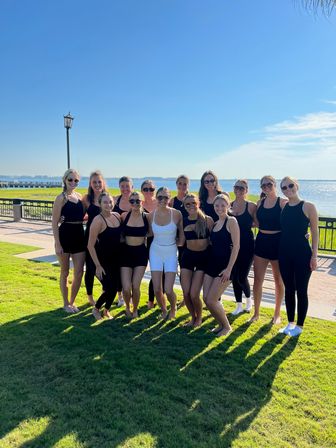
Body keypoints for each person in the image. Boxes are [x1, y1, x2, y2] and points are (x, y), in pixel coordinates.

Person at [278, 177, 318, 337]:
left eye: (290, 185)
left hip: (302, 254)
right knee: (289, 289)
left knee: (301, 290)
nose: (288, 189)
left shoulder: (308, 206)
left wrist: (314, 256)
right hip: (284, 253)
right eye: (284, 188)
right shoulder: (284, 206)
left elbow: (315, 232)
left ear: (297, 186)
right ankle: (290, 323)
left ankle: (299, 326)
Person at [251, 175, 287, 324]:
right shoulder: (259, 203)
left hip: (278, 243)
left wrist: (305, 232)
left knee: (278, 281)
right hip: (261, 242)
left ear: (275, 184)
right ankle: (256, 313)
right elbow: (257, 223)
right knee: (257, 280)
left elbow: (295, 219)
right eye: (263, 185)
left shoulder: (283, 203)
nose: (266, 187)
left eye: (269, 184)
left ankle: (277, 314)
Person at [203, 193, 240, 337]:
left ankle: (226, 327)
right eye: (217, 206)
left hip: (225, 267)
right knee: (206, 298)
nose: (219, 208)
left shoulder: (231, 221)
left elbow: (236, 246)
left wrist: (229, 269)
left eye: (223, 205)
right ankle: (220, 324)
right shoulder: (215, 224)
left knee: (212, 300)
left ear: (228, 206)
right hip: (212, 265)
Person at [52, 169, 86, 313]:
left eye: (76, 180)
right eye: (70, 179)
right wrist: (57, 243)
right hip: (64, 236)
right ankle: (66, 303)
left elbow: (82, 216)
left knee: (79, 272)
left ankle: (72, 302)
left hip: (79, 235)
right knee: (65, 272)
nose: (73, 182)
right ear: (65, 180)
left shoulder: (80, 197)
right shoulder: (61, 198)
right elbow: (54, 222)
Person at [148, 187, 184, 319]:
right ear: (156, 198)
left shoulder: (176, 214)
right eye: (160, 197)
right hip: (155, 252)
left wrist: (179, 244)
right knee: (157, 289)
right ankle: (163, 310)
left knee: (168, 289)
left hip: (171, 253)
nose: (163, 200)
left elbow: (182, 234)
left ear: (169, 199)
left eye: (166, 197)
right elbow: (149, 233)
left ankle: (173, 309)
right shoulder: (151, 215)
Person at [180, 194, 214, 327]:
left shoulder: (207, 220)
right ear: (184, 206)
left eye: (193, 203)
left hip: (203, 258)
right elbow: (181, 241)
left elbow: (214, 241)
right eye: (187, 204)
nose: (191, 206)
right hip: (188, 257)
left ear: (198, 203)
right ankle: (192, 317)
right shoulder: (183, 220)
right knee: (186, 292)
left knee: (194, 294)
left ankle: (199, 318)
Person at [88, 193, 122, 320]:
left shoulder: (117, 216)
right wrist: (97, 265)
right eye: (105, 202)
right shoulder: (98, 220)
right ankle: (96, 309)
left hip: (115, 260)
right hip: (100, 261)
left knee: (116, 286)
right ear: (100, 204)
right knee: (110, 287)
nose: (108, 204)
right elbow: (90, 245)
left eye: (110, 202)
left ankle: (106, 310)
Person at [120, 192, 149, 318]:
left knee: (135, 286)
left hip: (141, 254)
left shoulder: (147, 217)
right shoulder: (124, 216)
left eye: (138, 201)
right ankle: (127, 306)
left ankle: (135, 309)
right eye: (132, 201)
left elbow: (152, 234)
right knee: (126, 288)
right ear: (129, 202)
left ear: (142, 201)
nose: (135, 203)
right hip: (126, 254)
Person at [230, 179, 257, 315]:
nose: (239, 190)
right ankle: (238, 305)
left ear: (246, 190)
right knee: (234, 276)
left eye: (242, 188)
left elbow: (258, 223)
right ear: (234, 189)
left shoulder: (251, 206)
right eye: (237, 187)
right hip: (233, 246)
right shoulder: (229, 206)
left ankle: (248, 300)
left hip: (247, 245)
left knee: (242, 276)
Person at [82, 170, 107, 306]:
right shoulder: (86, 199)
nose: (97, 184)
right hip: (89, 238)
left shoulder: (107, 198)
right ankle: (90, 296)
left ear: (103, 183)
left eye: (99, 181)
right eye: (94, 182)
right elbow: (79, 215)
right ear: (90, 184)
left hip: (103, 239)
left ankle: (105, 289)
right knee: (90, 268)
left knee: (103, 265)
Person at [113, 176, 134, 306]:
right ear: (119, 187)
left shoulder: (137, 201)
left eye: (127, 186)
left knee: (131, 270)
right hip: (118, 241)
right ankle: (120, 296)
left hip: (133, 242)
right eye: (122, 186)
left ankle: (129, 295)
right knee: (118, 269)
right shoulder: (115, 200)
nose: (125, 189)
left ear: (132, 187)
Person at [141, 179, 158, 309]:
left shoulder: (160, 204)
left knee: (156, 272)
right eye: (146, 189)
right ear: (142, 191)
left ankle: (152, 300)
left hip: (157, 242)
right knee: (139, 272)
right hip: (142, 243)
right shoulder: (138, 204)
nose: (148, 192)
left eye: (151, 189)